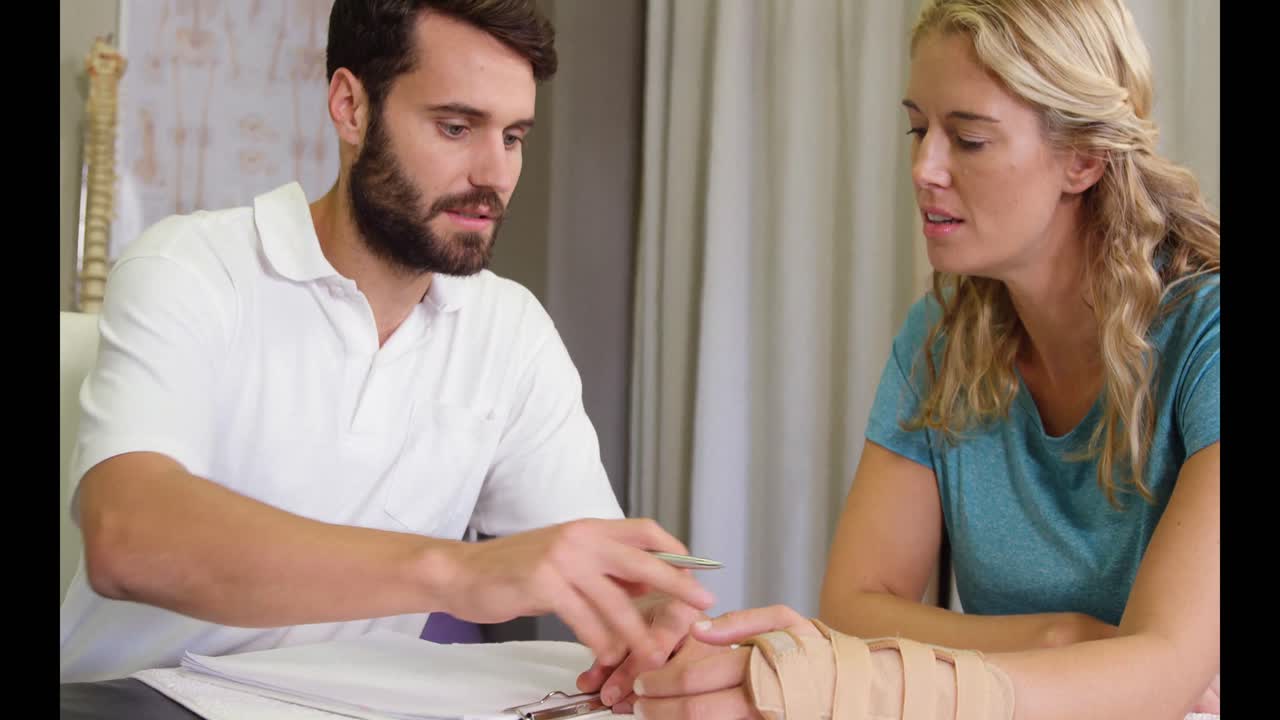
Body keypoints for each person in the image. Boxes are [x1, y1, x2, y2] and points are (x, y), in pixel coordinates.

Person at [59, 0, 713, 683]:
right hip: (128, 701)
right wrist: (461, 574)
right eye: (456, 127)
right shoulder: (192, 269)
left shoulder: (510, 331)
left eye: (513, 136)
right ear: (350, 108)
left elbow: (609, 579)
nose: (494, 174)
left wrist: (667, 628)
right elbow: (126, 536)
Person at [618, 0, 1221, 717]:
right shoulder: (942, 336)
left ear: (1084, 158)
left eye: (968, 139)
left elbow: (1165, 675)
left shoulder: (1208, 337)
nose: (923, 167)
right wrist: (1067, 639)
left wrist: (842, 684)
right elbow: (857, 604)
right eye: (917, 129)